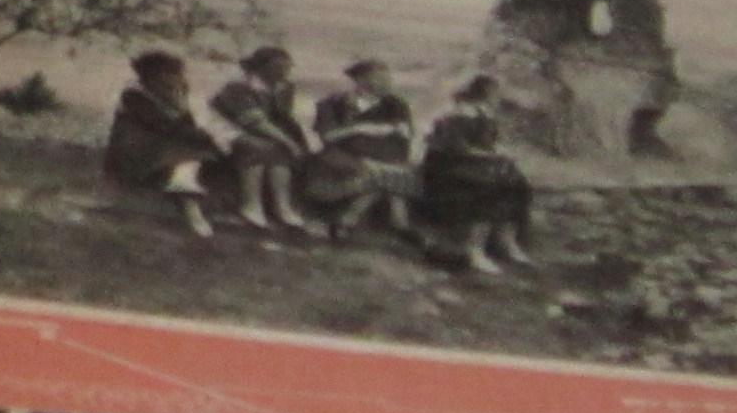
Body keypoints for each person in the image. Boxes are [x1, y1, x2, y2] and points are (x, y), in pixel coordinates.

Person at [101, 51, 230, 240]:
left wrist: (184, 107)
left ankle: (186, 186)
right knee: (189, 151)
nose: (178, 79)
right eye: (172, 74)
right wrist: (205, 137)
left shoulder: (172, 95)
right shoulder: (136, 96)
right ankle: (189, 202)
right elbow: (168, 126)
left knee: (201, 152)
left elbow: (185, 127)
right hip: (134, 151)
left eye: (178, 74)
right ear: (154, 76)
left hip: (160, 146)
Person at [420, 72, 537, 274]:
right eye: (495, 93)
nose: (498, 98)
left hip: (474, 163)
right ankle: (474, 248)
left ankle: (506, 240)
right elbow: (455, 149)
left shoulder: (485, 115)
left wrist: (499, 153)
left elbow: (488, 145)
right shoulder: (458, 115)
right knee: (486, 185)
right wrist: (492, 156)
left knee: (516, 182)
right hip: (447, 168)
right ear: (483, 94)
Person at [210, 44, 322, 235]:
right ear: (262, 67)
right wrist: (288, 142)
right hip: (229, 130)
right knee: (259, 147)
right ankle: (250, 206)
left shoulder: (283, 89)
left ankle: (283, 207)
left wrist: (294, 142)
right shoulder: (239, 87)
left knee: (279, 150)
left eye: (287, 67)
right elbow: (256, 122)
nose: (285, 72)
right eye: (279, 67)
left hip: (264, 132)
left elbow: (282, 118)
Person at [303, 56, 418, 239]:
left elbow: (405, 138)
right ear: (361, 80)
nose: (388, 83)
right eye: (380, 78)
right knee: (379, 173)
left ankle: (347, 221)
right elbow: (328, 136)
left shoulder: (396, 105)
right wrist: (359, 129)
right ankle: (399, 225)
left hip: (382, 158)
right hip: (340, 156)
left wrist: (397, 134)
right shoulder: (334, 103)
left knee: (388, 171)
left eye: (388, 78)